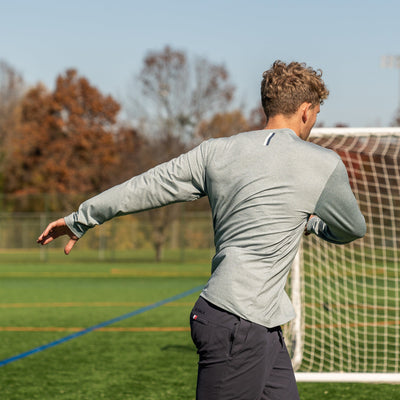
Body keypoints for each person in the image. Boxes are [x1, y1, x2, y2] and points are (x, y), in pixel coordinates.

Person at [38, 60, 366, 400]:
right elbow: (352, 228)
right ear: (304, 111)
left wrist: (81, 218)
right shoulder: (322, 162)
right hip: (237, 325)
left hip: (262, 326)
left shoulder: (215, 152)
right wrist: (314, 225)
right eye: (315, 115)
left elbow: (148, 185)